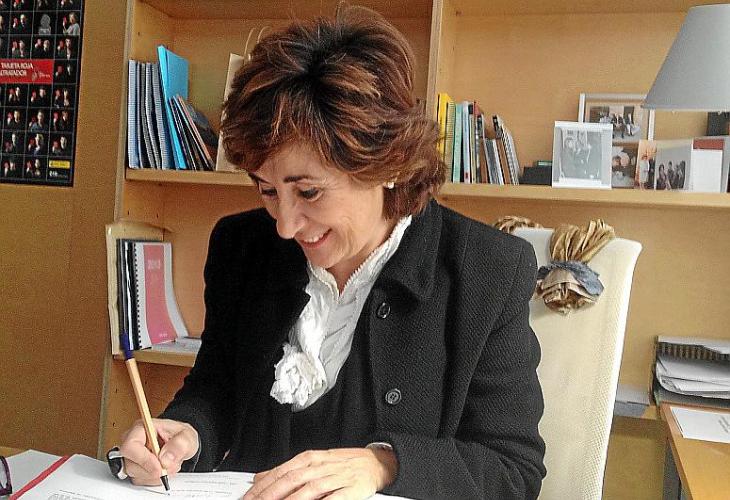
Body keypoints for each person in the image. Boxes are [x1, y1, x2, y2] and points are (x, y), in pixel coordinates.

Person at [117, 7, 546, 500]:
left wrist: (384, 465)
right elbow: (218, 388)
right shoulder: (240, 245)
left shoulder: (488, 271)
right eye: (267, 190)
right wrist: (185, 434)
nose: (284, 225)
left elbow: (513, 470)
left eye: (309, 192)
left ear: (389, 163)